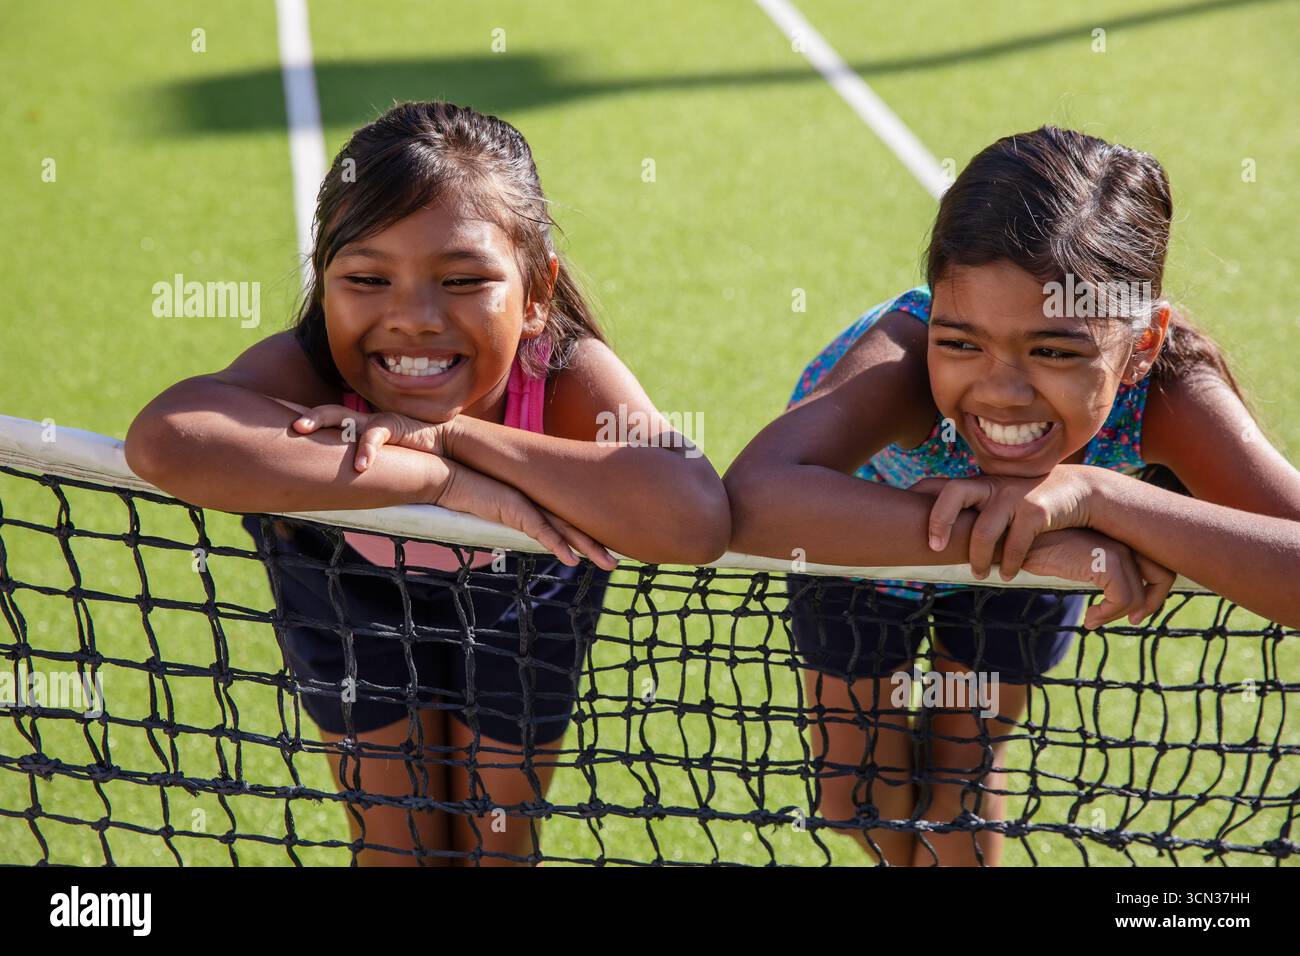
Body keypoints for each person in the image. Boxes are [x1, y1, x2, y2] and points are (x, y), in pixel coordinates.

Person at [125, 100, 730, 866]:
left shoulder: (565, 373)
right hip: (346, 590)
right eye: (368, 277)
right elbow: (167, 439)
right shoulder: (308, 362)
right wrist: (443, 483)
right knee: (396, 846)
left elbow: (694, 517)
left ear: (537, 292)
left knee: (498, 847)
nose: (412, 316)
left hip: (527, 597)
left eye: (463, 278)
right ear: (325, 280)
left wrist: (452, 434)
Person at [724, 126, 1300, 866]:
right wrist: (1025, 531)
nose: (1001, 390)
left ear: (1144, 344)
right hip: (860, 542)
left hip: (1037, 564)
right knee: (858, 798)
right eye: (961, 343)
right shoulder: (900, 362)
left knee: (960, 783)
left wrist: (1096, 495)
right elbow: (755, 499)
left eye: (1055, 351)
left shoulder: (1172, 391)